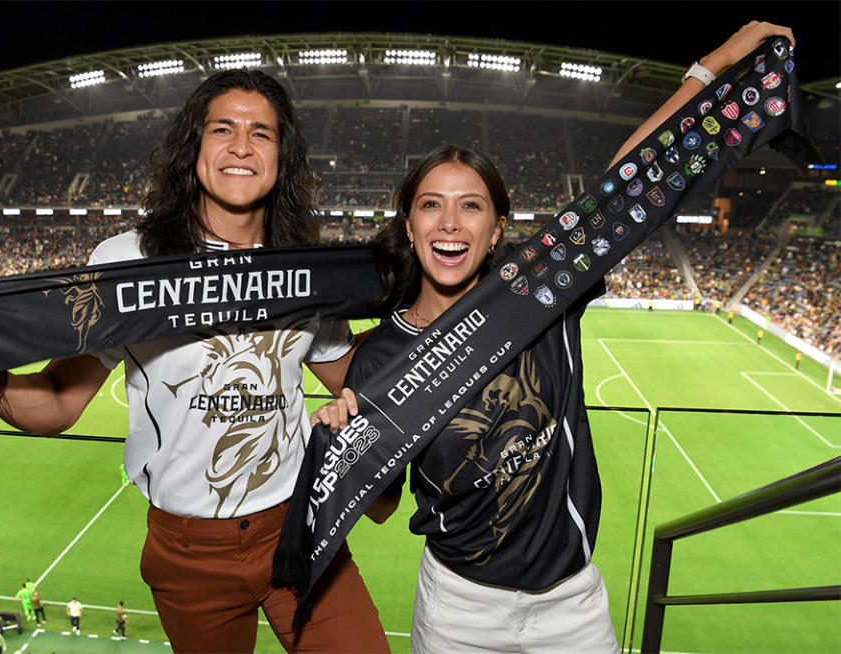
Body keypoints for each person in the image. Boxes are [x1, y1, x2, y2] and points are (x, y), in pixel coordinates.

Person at [311, 21, 795, 654]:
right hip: (457, 608)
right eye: (431, 205)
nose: (450, 222)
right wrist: (338, 445)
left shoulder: (538, 293)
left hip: (572, 606)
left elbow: (624, 188)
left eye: (471, 206)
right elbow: (379, 506)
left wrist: (710, 69)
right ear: (409, 225)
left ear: (496, 228)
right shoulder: (378, 355)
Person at [0, 68, 388, 654]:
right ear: (193, 146)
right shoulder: (127, 261)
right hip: (188, 553)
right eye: (223, 129)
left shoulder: (303, 266)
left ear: (283, 156)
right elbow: (60, 405)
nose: (241, 146)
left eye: (262, 133)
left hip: (300, 525)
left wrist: (428, 319)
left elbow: (351, 374)